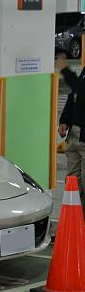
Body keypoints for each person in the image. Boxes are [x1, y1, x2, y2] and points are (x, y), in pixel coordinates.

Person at [57, 52, 85, 203]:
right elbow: (74, 95)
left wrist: (66, 71)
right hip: (74, 135)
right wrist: (65, 121)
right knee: (72, 184)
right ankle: (75, 223)